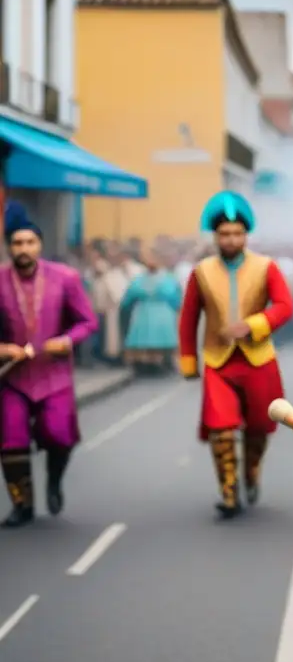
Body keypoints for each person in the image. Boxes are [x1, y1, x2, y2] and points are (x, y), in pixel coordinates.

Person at [178, 191, 293, 518]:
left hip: (258, 359)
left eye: (237, 233)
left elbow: (285, 306)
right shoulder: (200, 272)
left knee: (258, 426)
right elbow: (188, 319)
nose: (231, 239)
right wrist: (188, 360)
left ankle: (251, 472)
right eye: (225, 234)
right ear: (215, 236)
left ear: (246, 235)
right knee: (221, 428)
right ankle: (229, 493)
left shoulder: (266, 267)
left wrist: (254, 324)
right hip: (218, 361)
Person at [0, 202, 98, 528]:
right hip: (12, 377)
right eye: (17, 243)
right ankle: (22, 505)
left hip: (54, 375)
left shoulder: (66, 278)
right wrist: (4, 349)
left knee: (58, 436)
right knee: (10, 439)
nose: (23, 249)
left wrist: (67, 340)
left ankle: (54, 482)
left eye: (30, 243)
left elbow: (87, 321)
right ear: (8, 247)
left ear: (40, 245)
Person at [120, 247, 182, 372]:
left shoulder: (159, 279)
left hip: (151, 311)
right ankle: (150, 362)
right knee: (151, 337)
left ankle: (160, 361)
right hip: (154, 311)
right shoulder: (164, 279)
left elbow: (130, 295)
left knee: (153, 337)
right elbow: (174, 295)